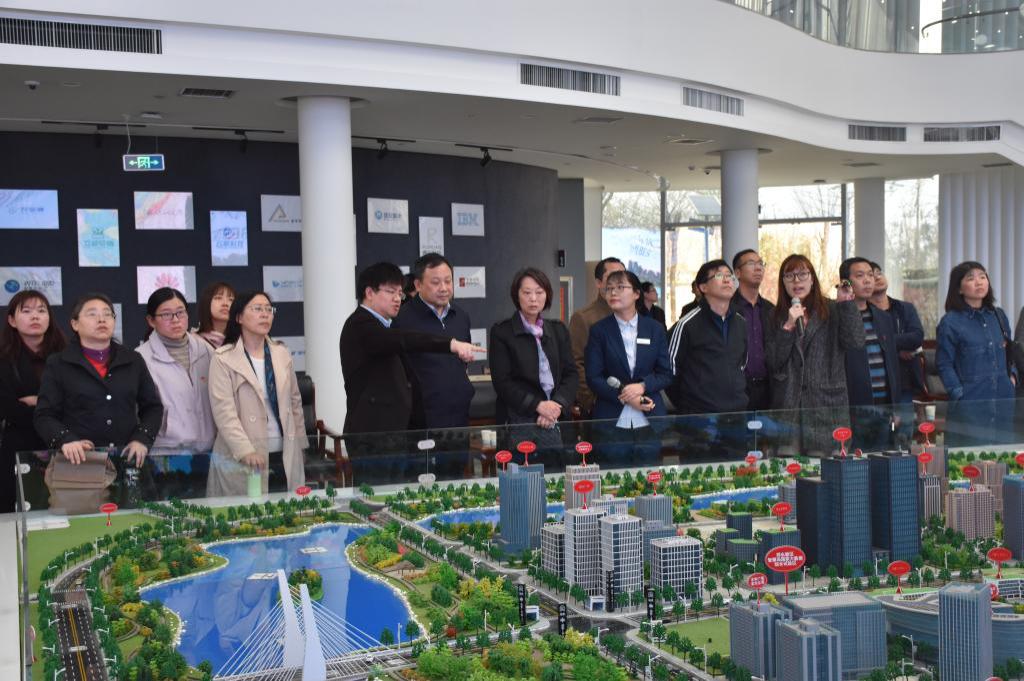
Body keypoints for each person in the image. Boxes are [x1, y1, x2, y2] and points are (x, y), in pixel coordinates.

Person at [340, 263, 481, 482]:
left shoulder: (384, 326)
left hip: (396, 435)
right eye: (391, 292)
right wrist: (451, 344)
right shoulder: (361, 324)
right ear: (369, 293)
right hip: (373, 436)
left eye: (400, 293)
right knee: (375, 498)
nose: (397, 299)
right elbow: (404, 339)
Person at [34, 293, 163, 467]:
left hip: (126, 460)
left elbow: (153, 408)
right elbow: (44, 415)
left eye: (107, 314)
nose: (102, 319)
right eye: (92, 314)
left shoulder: (134, 360)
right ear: (75, 324)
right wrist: (65, 439)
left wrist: (142, 438)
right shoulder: (58, 363)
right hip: (79, 463)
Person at [207, 291, 307, 495]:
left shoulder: (281, 353)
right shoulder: (223, 358)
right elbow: (224, 413)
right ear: (239, 317)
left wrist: (301, 445)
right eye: (257, 309)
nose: (265, 314)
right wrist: (245, 451)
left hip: (284, 453)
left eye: (269, 309)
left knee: (287, 510)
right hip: (243, 457)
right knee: (247, 512)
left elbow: (295, 402)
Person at [765, 255, 864, 454]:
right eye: (789, 276)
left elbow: (855, 341)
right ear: (783, 282)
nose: (796, 281)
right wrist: (788, 326)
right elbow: (773, 362)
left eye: (802, 274)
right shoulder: (774, 316)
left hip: (826, 407)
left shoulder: (833, 309)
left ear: (812, 279)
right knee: (789, 467)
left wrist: (846, 304)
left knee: (824, 467)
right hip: (789, 411)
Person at [489, 268, 578, 461]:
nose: (533, 299)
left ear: (547, 295)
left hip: (555, 418)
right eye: (527, 292)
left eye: (539, 292)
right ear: (517, 295)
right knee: (521, 476)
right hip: (519, 421)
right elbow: (502, 382)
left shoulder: (558, 330)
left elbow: (571, 374)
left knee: (557, 475)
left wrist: (556, 406)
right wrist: (538, 406)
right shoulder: (502, 332)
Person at [585, 270, 672, 465]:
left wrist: (642, 386)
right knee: (613, 476)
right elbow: (594, 377)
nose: (613, 293)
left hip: (650, 417)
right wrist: (627, 396)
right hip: (611, 419)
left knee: (649, 476)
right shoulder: (599, 330)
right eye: (609, 289)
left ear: (636, 294)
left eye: (620, 287)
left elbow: (665, 374)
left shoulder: (655, 329)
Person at [936, 261, 1016, 446]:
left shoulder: (998, 315)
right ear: (959, 289)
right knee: (971, 456)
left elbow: (1010, 352)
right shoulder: (950, 322)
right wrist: (959, 394)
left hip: (1003, 399)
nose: (979, 282)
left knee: (1004, 454)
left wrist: (1012, 377)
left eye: (982, 276)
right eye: (970, 278)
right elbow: (944, 364)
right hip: (971, 402)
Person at [0, 291, 66, 511]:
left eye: (41, 310)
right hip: (17, 448)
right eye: (26, 311)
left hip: (62, 446)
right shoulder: (3, 359)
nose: (35, 316)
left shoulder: (67, 356)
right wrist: (49, 407)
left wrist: (37, 401)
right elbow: (8, 408)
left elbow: (77, 403)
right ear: (12, 320)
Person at [393, 253, 474, 429]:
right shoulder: (402, 319)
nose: (444, 288)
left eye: (448, 281)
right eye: (436, 282)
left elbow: (463, 365)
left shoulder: (461, 316)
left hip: (459, 416)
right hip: (420, 421)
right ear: (418, 285)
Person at [137, 288, 216, 455]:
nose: (175, 320)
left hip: (209, 450)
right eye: (166, 315)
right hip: (166, 451)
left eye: (180, 312)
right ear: (151, 320)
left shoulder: (206, 349)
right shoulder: (141, 357)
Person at [838, 257, 902, 450]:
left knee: (882, 458)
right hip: (854, 407)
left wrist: (895, 407)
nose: (867, 280)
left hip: (883, 407)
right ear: (846, 282)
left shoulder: (883, 317)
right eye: (860, 276)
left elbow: (893, 365)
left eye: (870, 275)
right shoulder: (836, 316)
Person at [668, 260, 747, 414]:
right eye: (719, 275)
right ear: (703, 287)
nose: (727, 280)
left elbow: (742, 365)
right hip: (699, 417)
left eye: (729, 276)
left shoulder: (741, 323)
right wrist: (690, 406)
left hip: (737, 413)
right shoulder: (686, 324)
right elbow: (669, 372)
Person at [568, 257, 625, 416]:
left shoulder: (634, 317)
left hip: (633, 402)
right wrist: (590, 401)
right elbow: (576, 363)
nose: (617, 282)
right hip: (601, 404)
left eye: (622, 277)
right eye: (611, 277)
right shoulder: (584, 317)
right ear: (599, 283)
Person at [868, 261, 925, 403]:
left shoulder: (905, 308)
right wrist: (897, 350)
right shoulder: (863, 312)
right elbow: (867, 343)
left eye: (879, 273)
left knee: (903, 418)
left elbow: (917, 337)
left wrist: (887, 344)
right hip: (875, 383)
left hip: (904, 381)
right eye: (872, 275)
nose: (878, 277)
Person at [731, 249, 775, 411]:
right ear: (737, 273)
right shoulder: (728, 309)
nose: (758, 268)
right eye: (751, 263)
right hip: (737, 390)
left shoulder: (771, 310)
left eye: (760, 263)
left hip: (768, 391)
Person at [195, 281, 235, 349]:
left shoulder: (241, 341)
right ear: (206, 303)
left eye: (231, 299)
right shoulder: (194, 341)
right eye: (218, 298)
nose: (225, 303)